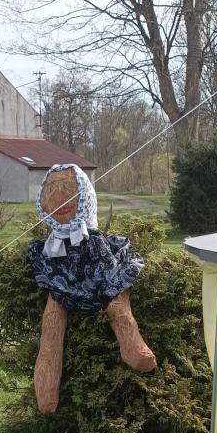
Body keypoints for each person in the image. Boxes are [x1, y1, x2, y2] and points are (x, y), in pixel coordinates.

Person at [27, 164, 156, 413]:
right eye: (51, 188)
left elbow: (110, 273)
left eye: (66, 187)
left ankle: (134, 349)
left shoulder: (96, 243)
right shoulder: (51, 247)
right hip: (61, 269)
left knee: (115, 298)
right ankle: (46, 391)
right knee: (52, 320)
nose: (59, 196)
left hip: (96, 264)